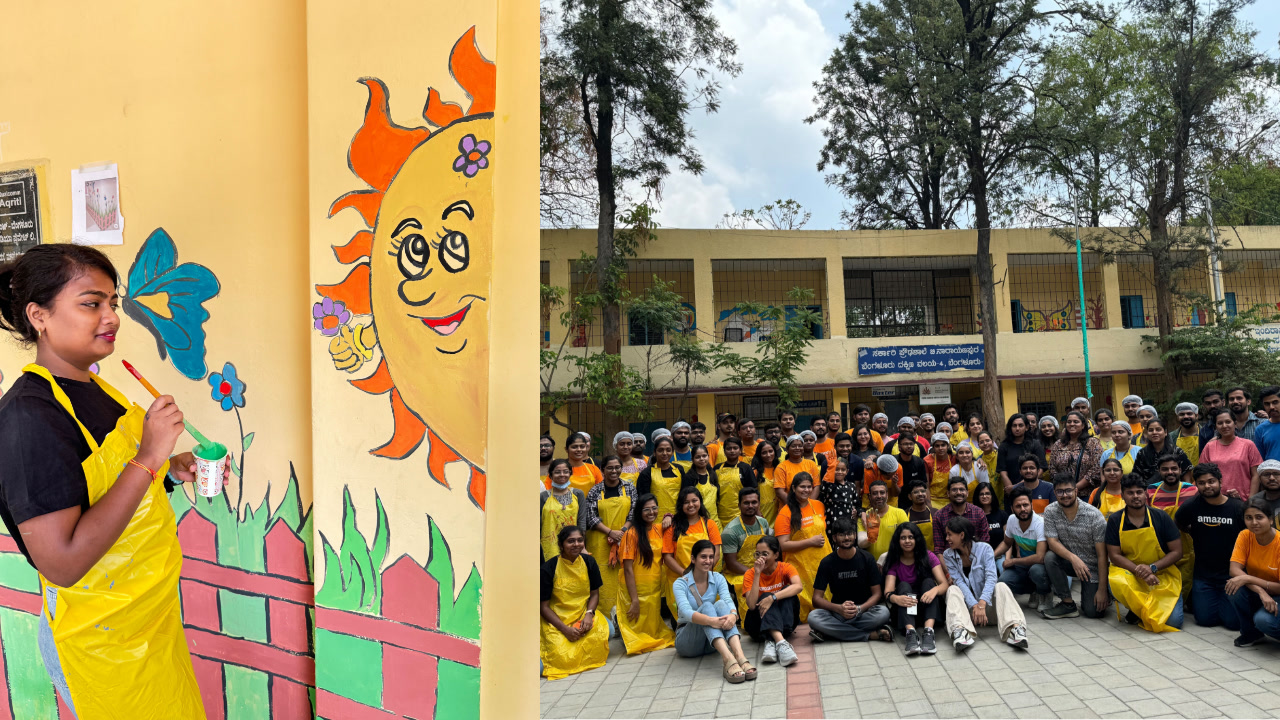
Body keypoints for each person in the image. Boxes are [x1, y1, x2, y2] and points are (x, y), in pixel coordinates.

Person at [0, 245, 223, 717]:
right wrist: (148, 456)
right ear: (39, 315)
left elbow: (100, 490)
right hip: (99, 639)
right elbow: (62, 562)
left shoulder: (96, 386)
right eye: (91, 303)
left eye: (113, 303)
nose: (111, 316)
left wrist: (168, 469)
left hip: (146, 620)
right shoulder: (30, 417)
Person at [1106, 474, 1184, 631]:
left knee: (1173, 622)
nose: (1135, 496)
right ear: (1123, 496)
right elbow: (1114, 555)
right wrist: (1140, 571)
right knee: (1115, 582)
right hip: (1131, 572)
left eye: (1139, 492)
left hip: (1161, 573)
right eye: (1130, 493)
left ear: (1146, 493)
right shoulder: (1115, 520)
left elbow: (1177, 552)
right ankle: (1139, 608)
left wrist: (1152, 568)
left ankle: (1139, 610)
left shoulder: (1160, 517)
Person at [673, 539, 757, 683]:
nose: (708, 561)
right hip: (687, 643)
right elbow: (686, 612)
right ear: (693, 559)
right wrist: (711, 621)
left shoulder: (717, 578)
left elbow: (728, 600)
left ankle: (740, 656)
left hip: (711, 641)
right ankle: (728, 659)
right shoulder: (680, 583)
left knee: (721, 604)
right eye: (703, 557)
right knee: (707, 607)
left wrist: (732, 614)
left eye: (711, 557)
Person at [943, 517, 1031, 651]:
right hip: (969, 615)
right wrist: (975, 606)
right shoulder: (948, 555)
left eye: (949, 534)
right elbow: (959, 582)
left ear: (961, 535)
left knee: (1001, 585)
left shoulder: (985, 549)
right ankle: (960, 632)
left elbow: (991, 578)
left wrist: (982, 603)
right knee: (953, 588)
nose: (947, 538)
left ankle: (1016, 630)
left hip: (991, 611)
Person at [1175, 464, 1244, 630]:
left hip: (1231, 576)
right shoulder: (1191, 505)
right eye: (1202, 482)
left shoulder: (1237, 507)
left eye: (1211, 481)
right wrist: (1192, 532)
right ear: (1196, 485)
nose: (1207, 486)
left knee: (1232, 623)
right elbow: (1179, 522)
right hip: (1203, 576)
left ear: (1220, 481)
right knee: (1205, 620)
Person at [807, 518, 894, 643]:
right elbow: (816, 599)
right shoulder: (827, 562)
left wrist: (860, 609)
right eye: (842, 535)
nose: (846, 538)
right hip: (837, 613)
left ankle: (831, 632)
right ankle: (870, 635)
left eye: (850, 534)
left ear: (855, 535)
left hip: (863, 612)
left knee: (884, 612)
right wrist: (839, 609)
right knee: (813, 617)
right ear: (835, 538)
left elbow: (877, 594)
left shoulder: (867, 558)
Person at [540, 527, 610, 679]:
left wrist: (589, 615)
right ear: (561, 545)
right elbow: (543, 607)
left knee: (607, 632)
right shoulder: (548, 569)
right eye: (571, 541)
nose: (576, 544)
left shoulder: (589, 562)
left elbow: (594, 594)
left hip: (583, 614)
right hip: (557, 620)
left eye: (580, 540)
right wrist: (565, 629)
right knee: (559, 657)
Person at [1042, 474, 1110, 619]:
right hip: (1071, 562)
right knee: (1050, 557)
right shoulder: (1050, 511)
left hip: (1093, 567)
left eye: (1068, 490)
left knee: (1094, 612)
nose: (1064, 495)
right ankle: (1067, 604)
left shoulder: (1094, 516)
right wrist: (1074, 559)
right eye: (1060, 491)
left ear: (1076, 491)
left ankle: (1107, 592)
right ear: (1055, 493)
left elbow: (1102, 555)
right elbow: (1052, 542)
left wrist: (1102, 590)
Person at [618, 494, 676, 655]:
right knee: (637, 632)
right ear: (639, 511)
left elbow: (677, 519)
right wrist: (634, 599)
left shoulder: (659, 529)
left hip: (653, 588)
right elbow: (628, 569)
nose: (651, 512)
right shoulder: (631, 534)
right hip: (635, 588)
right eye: (646, 509)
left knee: (652, 628)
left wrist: (669, 516)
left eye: (654, 508)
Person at [883, 523, 949, 656]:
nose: (907, 541)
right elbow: (888, 592)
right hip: (905, 611)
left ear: (917, 539)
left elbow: (944, 584)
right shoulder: (894, 560)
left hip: (928, 609)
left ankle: (929, 632)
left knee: (929, 582)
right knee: (903, 586)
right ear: (898, 540)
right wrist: (896, 598)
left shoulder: (928, 556)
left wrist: (934, 591)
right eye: (903, 538)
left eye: (911, 537)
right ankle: (911, 634)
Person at [585, 456, 636, 619]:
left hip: (625, 539)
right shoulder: (595, 490)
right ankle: (603, 616)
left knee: (624, 575)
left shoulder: (629, 487)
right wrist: (610, 532)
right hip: (600, 542)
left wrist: (621, 531)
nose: (614, 471)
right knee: (602, 579)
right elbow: (590, 516)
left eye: (617, 467)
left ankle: (622, 616)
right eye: (610, 468)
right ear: (603, 470)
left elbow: (634, 512)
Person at [775, 473, 829, 621]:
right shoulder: (785, 513)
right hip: (800, 566)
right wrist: (810, 542)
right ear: (793, 488)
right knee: (804, 606)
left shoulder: (818, 505)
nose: (806, 490)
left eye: (809, 487)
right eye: (802, 487)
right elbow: (782, 545)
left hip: (821, 561)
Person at [1227, 497, 1280, 647]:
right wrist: (1261, 591)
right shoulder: (1245, 535)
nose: (1254, 522)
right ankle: (1251, 634)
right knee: (1233, 587)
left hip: (1278, 594)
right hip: (1262, 592)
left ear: (1270, 520)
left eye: (1259, 517)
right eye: (1249, 518)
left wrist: (1248, 579)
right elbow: (1234, 569)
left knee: (1263, 621)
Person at [662, 486, 722, 617]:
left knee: (709, 614)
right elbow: (667, 557)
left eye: (694, 500)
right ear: (681, 505)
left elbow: (716, 553)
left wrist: (703, 572)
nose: (691, 505)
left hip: (706, 579)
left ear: (700, 502)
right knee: (684, 619)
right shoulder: (673, 526)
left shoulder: (709, 524)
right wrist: (685, 574)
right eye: (686, 502)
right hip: (681, 580)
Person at [743, 535, 802, 667]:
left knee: (786, 591)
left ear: (776, 555)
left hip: (785, 625)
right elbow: (752, 605)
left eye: (765, 554)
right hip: (757, 627)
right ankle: (780, 642)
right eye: (757, 554)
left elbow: (798, 586)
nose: (760, 558)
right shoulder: (750, 573)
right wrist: (757, 573)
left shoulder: (785, 567)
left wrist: (773, 597)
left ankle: (771, 641)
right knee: (765, 596)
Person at [1147, 453, 1198, 595]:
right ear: (1159, 471)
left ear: (1180, 470)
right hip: (1159, 548)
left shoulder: (1192, 490)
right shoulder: (1151, 490)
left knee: (1186, 586)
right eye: (1165, 469)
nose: (1170, 472)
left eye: (1174, 468)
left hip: (1187, 547)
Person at [993, 488, 1051, 613]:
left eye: (1025, 505)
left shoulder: (1040, 523)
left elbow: (1040, 557)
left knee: (1036, 571)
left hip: (1041, 566)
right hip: (1023, 566)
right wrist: (991, 555)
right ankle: (1034, 591)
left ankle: (1045, 594)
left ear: (1031, 505)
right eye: (1018, 506)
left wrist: (1013, 561)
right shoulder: (1011, 520)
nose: (1023, 509)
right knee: (1003, 581)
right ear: (1012, 509)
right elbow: (1006, 543)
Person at [721, 487, 773, 619]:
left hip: (761, 568)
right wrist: (755, 574)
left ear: (759, 504)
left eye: (754, 502)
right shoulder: (730, 531)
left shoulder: (763, 523)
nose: (751, 506)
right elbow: (731, 564)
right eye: (746, 503)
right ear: (739, 505)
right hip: (739, 573)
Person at [1200, 408, 1262, 499]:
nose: (1224, 426)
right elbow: (1202, 474)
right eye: (1220, 423)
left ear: (1235, 424)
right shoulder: (1209, 447)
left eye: (1228, 422)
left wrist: (1251, 499)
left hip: (1243, 499)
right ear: (1216, 427)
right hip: (1215, 499)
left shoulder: (1248, 445)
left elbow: (1256, 474)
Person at [541, 459, 590, 561]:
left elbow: (581, 521)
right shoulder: (543, 496)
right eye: (557, 472)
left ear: (570, 473)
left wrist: (583, 546)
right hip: (549, 545)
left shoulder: (578, 494)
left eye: (565, 471)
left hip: (574, 544)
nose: (562, 475)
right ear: (550, 475)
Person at [636, 435, 687, 526]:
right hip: (653, 520)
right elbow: (643, 499)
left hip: (677, 519)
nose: (664, 453)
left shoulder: (679, 470)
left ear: (672, 452)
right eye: (660, 450)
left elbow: (684, 495)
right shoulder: (647, 473)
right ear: (654, 453)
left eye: (668, 450)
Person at [933, 476, 991, 555]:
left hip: (976, 558)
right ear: (948, 493)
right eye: (954, 490)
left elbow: (985, 542)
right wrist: (946, 567)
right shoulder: (939, 516)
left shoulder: (978, 512)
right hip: (950, 561)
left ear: (967, 493)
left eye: (962, 489)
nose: (959, 492)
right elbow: (938, 549)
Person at [1050, 411, 1102, 494]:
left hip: (1087, 493)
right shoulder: (1058, 444)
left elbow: (1096, 469)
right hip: (1063, 494)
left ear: (1083, 425)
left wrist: (1074, 488)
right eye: (1069, 422)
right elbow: (1052, 468)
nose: (1072, 424)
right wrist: (1064, 488)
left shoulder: (1092, 443)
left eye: (1076, 422)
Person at [713, 436, 758, 531]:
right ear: (724, 451)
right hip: (720, 514)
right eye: (729, 448)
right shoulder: (716, 469)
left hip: (741, 513)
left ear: (740, 450)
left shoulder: (746, 468)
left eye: (735, 448)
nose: (732, 451)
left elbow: (753, 492)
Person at [859, 479, 908, 560]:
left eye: (882, 492)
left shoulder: (900, 513)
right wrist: (872, 536)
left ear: (887, 495)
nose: (879, 496)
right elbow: (861, 543)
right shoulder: (865, 516)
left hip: (896, 562)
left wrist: (884, 558)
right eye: (875, 493)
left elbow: (906, 540)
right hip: (873, 565)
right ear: (869, 496)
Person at [996, 414, 1045, 494]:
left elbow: (1041, 468)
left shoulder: (1035, 444)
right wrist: (1011, 489)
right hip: (1010, 490)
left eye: (1020, 425)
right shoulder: (1004, 446)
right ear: (1010, 428)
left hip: (1033, 489)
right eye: (1014, 426)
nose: (1017, 428)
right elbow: (1002, 471)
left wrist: (1017, 486)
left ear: (1027, 427)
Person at [1135, 418, 1193, 484]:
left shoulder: (1177, 452)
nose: (1154, 432)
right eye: (1151, 430)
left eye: (1158, 430)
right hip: (1150, 491)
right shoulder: (1142, 453)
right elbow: (1137, 479)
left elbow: (1187, 479)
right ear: (1147, 433)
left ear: (1165, 432)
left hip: (1175, 491)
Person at [774, 435, 821, 507]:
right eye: (793, 446)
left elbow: (816, 486)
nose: (797, 448)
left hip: (809, 507)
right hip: (789, 507)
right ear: (787, 449)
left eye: (800, 446)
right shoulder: (781, 467)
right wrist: (795, 506)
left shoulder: (811, 464)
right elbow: (780, 492)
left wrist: (808, 505)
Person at [819, 457, 860, 531]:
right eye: (836, 469)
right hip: (832, 520)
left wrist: (856, 511)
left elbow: (856, 503)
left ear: (847, 471)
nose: (839, 472)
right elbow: (823, 489)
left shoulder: (851, 486)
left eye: (843, 470)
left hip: (848, 521)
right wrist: (830, 469)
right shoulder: (829, 484)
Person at [682, 444, 719, 522]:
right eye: (698, 457)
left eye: (704, 456)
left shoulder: (713, 475)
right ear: (692, 459)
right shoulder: (689, 478)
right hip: (697, 520)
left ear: (708, 457)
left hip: (715, 520)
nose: (702, 459)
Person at [894, 434, 929, 506]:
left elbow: (923, 484)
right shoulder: (894, 461)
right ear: (899, 447)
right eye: (906, 444)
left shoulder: (919, 462)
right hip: (896, 499)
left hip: (915, 499)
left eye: (911, 444)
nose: (909, 446)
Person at [751, 440, 781, 523]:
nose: (768, 455)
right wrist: (757, 512)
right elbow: (752, 494)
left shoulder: (780, 469)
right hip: (761, 512)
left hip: (778, 511)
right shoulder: (755, 472)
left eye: (770, 451)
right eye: (764, 453)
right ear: (759, 455)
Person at [923, 433, 956, 509]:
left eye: (943, 445)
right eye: (937, 446)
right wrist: (929, 506)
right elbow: (926, 485)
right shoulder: (927, 461)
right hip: (933, 500)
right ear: (933, 447)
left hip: (951, 500)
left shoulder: (954, 458)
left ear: (948, 446)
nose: (940, 448)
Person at [972, 482, 1005, 554]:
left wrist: (1007, 560)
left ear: (992, 495)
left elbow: (1008, 541)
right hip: (979, 555)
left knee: (1001, 565)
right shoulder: (973, 516)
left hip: (1000, 554)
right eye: (981, 494)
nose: (984, 496)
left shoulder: (1002, 514)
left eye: (987, 493)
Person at [904, 483, 936, 550]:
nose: (920, 494)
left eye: (923, 491)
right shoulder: (904, 515)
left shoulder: (935, 513)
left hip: (934, 555)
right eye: (916, 492)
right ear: (910, 496)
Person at [1254, 386, 1280, 463]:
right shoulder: (1260, 429)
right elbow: (1260, 459)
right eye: (1267, 404)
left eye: (1275, 402)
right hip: (1272, 473)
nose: (1271, 407)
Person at [1198, 388, 1227, 453]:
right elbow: (1203, 456)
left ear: (1223, 402)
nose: (1212, 406)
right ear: (1204, 405)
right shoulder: (1204, 431)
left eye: (1215, 402)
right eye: (1208, 403)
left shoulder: (1235, 423)